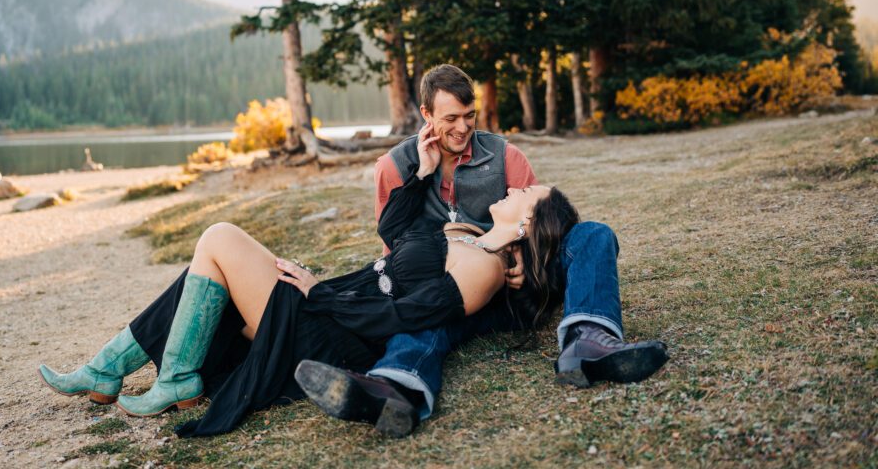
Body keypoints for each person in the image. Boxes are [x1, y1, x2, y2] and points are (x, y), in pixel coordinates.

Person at [294, 64, 669, 437]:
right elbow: (396, 248)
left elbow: (540, 219)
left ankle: (589, 338)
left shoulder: (506, 157)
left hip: (515, 288)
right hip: (452, 283)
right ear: (426, 115)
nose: (462, 127)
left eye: (469, 116)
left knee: (593, 234)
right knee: (429, 309)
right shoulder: (394, 166)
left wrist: (520, 255)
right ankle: (395, 387)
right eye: (451, 118)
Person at [38, 179, 565, 436]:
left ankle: (169, 378)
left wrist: (317, 292)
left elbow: (406, 319)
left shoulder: (487, 268)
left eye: (529, 193)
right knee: (206, 271)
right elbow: (394, 234)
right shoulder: (467, 234)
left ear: (529, 224)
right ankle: (109, 371)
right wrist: (422, 173)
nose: (517, 185)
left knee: (219, 237)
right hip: (332, 306)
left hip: (337, 335)